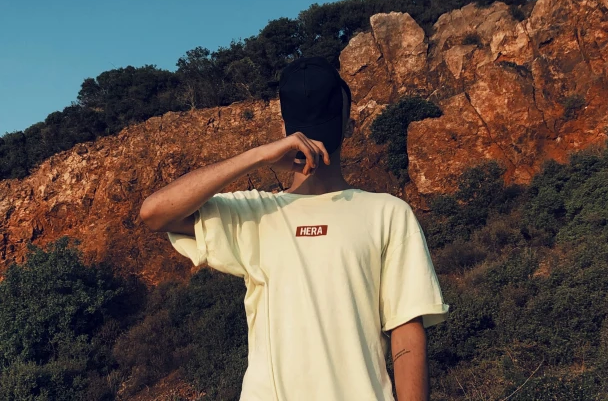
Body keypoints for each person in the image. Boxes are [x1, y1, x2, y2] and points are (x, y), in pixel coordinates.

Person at [140, 56, 449, 400]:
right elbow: (155, 213)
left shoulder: (387, 213)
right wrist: (257, 155)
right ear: (347, 120)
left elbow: (407, 331)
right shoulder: (255, 212)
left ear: (285, 126)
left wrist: (260, 155)